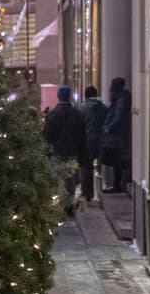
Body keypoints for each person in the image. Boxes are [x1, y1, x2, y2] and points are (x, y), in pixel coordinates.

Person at [43, 86, 86, 216]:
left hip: (58, 151)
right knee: (71, 178)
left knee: (59, 178)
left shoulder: (53, 114)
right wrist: (82, 152)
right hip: (73, 151)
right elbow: (82, 135)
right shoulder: (77, 114)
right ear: (69, 96)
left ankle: (62, 203)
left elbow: (48, 135)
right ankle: (69, 203)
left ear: (58, 96)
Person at [102, 77, 132, 193]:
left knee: (117, 161)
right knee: (117, 161)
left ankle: (118, 184)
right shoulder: (121, 99)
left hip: (117, 137)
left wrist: (108, 128)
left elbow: (118, 118)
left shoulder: (121, 100)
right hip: (117, 136)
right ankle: (118, 184)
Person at [79, 86, 108, 204]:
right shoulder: (103, 107)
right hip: (102, 140)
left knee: (86, 167)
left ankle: (87, 193)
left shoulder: (81, 107)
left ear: (85, 95)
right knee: (103, 164)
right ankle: (107, 184)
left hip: (87, 140)